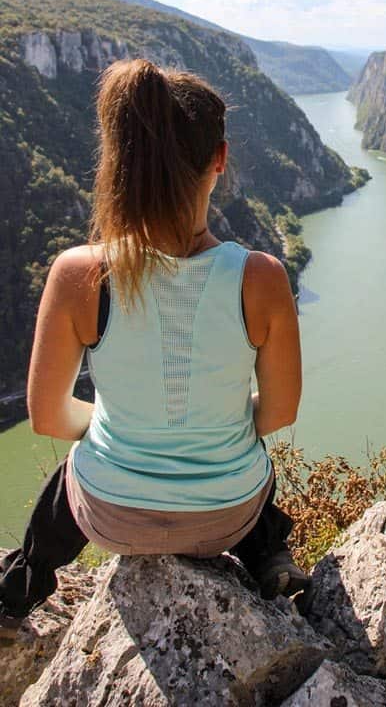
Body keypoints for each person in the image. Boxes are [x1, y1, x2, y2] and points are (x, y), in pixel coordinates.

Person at [0, 59, 309, 643]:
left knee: (73, 474)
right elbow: (279, 413)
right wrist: (213, 414)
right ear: (219, 161)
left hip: (111, 517)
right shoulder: (260, 277)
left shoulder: (80, 273)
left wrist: (120, 420)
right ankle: (271, 555)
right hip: (227, 518)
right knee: (244, 466)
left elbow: (47, 415)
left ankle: (23, 585)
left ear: (119, 159)